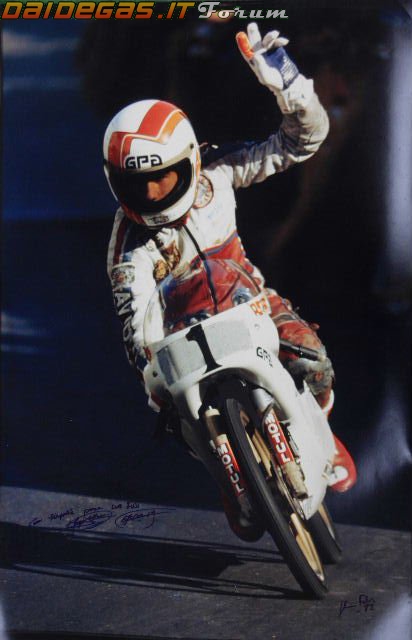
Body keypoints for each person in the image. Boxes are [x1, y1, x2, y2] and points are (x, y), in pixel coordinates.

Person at [104, 23, 356, 541]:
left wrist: (289, 84)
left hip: (251, 304)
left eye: (163, 178)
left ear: (190, 159)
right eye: (138, 184)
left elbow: (302, 141)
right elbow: (136, 327)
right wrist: (154, 374)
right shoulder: (126, 247)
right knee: (175, 415)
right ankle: (229, 473)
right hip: (185, 344)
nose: (152, 194)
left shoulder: (217, 169)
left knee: (314, 362)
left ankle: (324, 435)